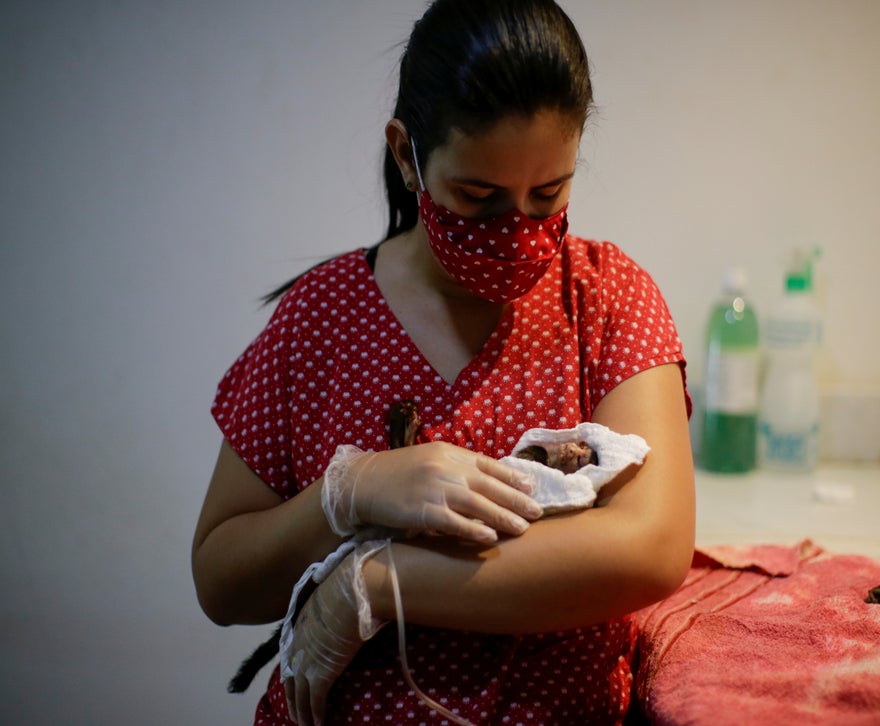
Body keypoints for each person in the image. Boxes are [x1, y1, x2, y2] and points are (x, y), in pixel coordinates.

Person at [191, 1, 695, 724]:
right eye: (478, 197)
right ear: (407, 155)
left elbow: (651, 547)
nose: (517, 232)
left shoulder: (608, 298)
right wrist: (348, 494)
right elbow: (220, 581)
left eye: (547, 195)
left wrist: (374, 582)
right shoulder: (320, 317)